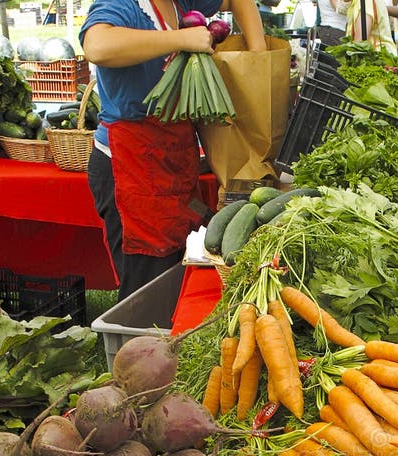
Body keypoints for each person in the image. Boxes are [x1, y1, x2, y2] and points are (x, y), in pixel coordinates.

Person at [80, 0, 265, 302]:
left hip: (170, 161)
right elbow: (97, 46)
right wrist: (180, 38)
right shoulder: (124, 5)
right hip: (131, 167)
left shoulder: (181, 2)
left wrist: (258, 57)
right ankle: (134, 347)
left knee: (173, 278)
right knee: (147, 288)